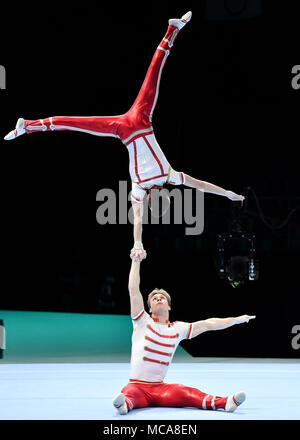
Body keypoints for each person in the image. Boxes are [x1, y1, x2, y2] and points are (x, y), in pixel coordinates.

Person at [4, 11, 244, 262]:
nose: (161, 197)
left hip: (121, 129)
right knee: (154, 73)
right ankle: (173, 29)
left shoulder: (139, 190)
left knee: (72, 123)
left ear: (152, 200)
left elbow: (137, 220)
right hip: (141, 120)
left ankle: (26, 126)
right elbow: (201, 185)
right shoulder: (170, 176)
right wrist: (227, 193)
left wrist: (138, 244)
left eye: (158, 202)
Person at [113, 257, 255, 414]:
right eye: (154, 298)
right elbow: (133, 289)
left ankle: (225, 403)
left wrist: (235, 320)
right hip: (137, 386)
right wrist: (136, 260)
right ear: (150, 308)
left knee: (186, 392)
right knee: (129, 392)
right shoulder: (142, 321)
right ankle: (125, 404)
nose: (158, 298)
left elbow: (209, 324)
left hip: (160, 389)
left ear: (169, 306)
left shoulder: (178, 328)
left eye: (162, 298)